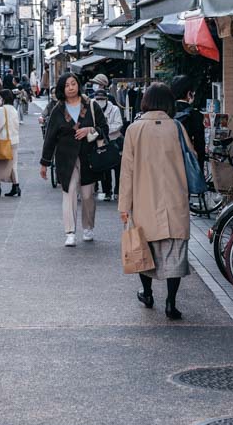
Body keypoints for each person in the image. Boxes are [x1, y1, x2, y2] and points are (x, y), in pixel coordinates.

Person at [119, 83, 194, 320]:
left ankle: (148, 293)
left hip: (144, 199)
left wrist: (124, 205)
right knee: (174, 250)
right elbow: (191, 158)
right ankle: (171, 303)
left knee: (145, 247)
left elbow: (127, 170)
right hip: (175, 197)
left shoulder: (134, 129)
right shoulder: (177, 127)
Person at [40, 72, 107, 246]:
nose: (71, 88)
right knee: (68, 194)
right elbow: (50, 137)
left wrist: (89, 130)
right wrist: (44, 163)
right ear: (62, 89)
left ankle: (88, 227)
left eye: (73, 84)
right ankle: (70, 232)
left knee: (87, 195)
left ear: (78, 85)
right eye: (67, 85)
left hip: (88, 157)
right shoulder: (58, 110)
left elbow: (104, 128)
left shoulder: (91, 105)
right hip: (65, 159)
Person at [91, 73, 126, 202]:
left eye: (102, 99)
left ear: (106, 99)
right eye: (97, 99)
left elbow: (118, 124)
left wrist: (104, 130)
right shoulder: (92, 107)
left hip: (115, 141)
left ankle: (117, 190)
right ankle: (106, 191)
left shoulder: (114, 109)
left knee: (118, 166)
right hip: (101, 141)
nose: (99, 101)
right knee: (104, 166)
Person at [0, 88, 22, 198]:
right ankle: (16, 186)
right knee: (13, 164)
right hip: (14, 140)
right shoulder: (13, 109)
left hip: (4, 141)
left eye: (0, 97)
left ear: (3, 98)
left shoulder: (2, 110)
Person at [172, 76, 206, 162]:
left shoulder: (166, 113)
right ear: (189, 94)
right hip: (187, 163)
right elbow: (200, 147)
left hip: (169, 163)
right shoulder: (195, 115)